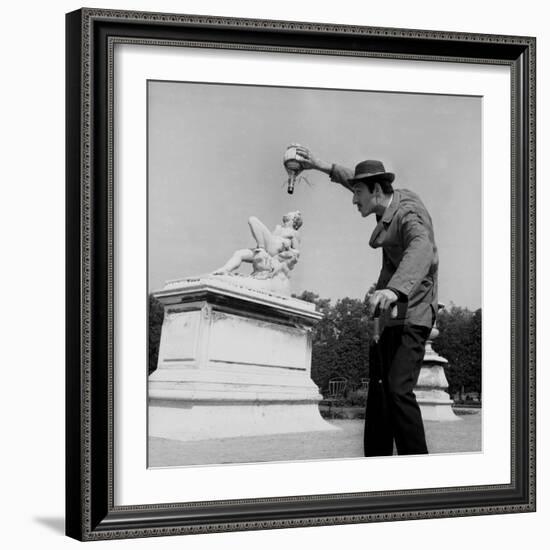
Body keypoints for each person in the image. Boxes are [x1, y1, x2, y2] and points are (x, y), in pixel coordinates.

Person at [295, 145, 438, 457]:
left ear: (375, 190)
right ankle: (376, 467)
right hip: (388, 315)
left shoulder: (409, 214)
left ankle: (422, 472)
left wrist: (394, 289)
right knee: (379, 391)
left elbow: (421, 247)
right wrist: (320, 165)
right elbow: (353, 179)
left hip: (412, 315)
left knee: (398, 389)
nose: (352, 198)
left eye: (357, 192)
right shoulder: (384, 200)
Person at [213, 211, 302, 278]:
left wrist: (288, 249)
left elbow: (297, 253)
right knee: (239, 253)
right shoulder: (278, 228)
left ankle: (261, 247)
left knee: (253, 220)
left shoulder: (294, 233)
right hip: (268, 249)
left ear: (294, 219)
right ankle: (225, 270)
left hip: (274, 251)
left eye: (290, 214)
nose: (287, 214)